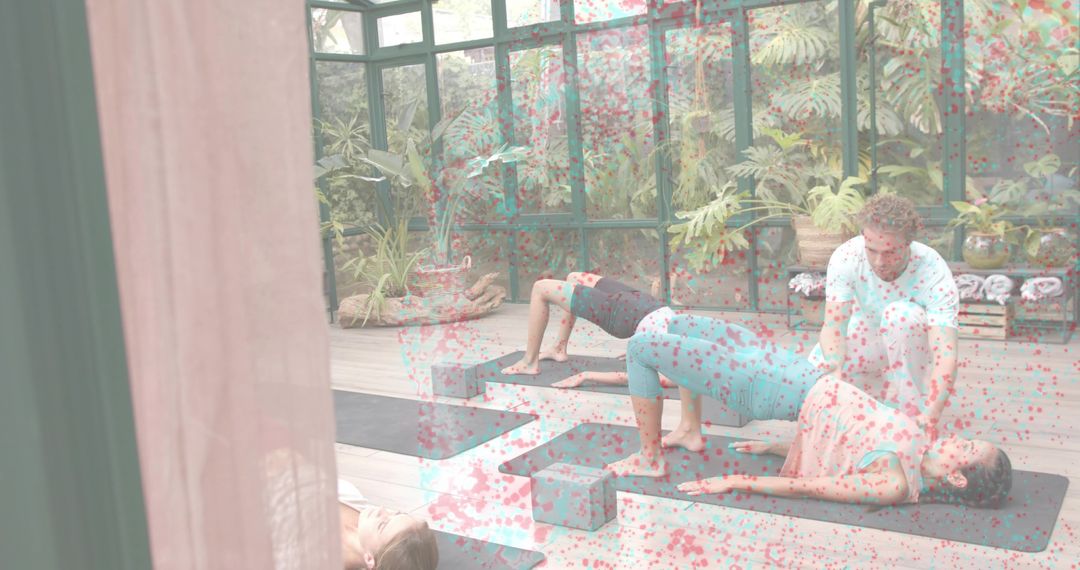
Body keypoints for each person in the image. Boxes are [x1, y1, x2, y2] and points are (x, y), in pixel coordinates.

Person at [607, 314, 1012, 508]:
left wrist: (737, 480)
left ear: (957, 477)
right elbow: (841, 445)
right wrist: (774, 449)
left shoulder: (894, 484)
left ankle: (650, 458)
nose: (958, 438)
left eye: (967, 447)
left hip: (762, 384)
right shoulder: (919, 441)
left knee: (641, 348)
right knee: (675, 324)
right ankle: (689, 430)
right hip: (788, 366)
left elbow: (814, 486)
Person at [811, 194, 960, 436]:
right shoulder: (847, 256)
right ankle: (872, 388)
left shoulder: (932, 270)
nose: (880, 261)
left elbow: (946, 355)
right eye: (872, 250)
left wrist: (930, 415)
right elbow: (833, 327)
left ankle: (910, 411)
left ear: (908, 243)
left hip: (909, 338)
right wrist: (835, 375)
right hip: (865, 335)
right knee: (815, 383)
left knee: (901, 315)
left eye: (890, 252)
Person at [500, 272, 675, 379]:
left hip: (620, 312)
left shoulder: (683, 370)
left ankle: (529, 362)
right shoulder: (688, 344)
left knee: (540, 288)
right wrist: (640, 345)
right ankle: (559, 348)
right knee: (574, 277)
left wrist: (587, 376)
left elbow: (646, 378)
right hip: (640, 301)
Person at [338, 479, 438, 570]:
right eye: (396, 514)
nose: (382, 509)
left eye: (382, 525)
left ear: (369, 559)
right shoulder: (350, 494)